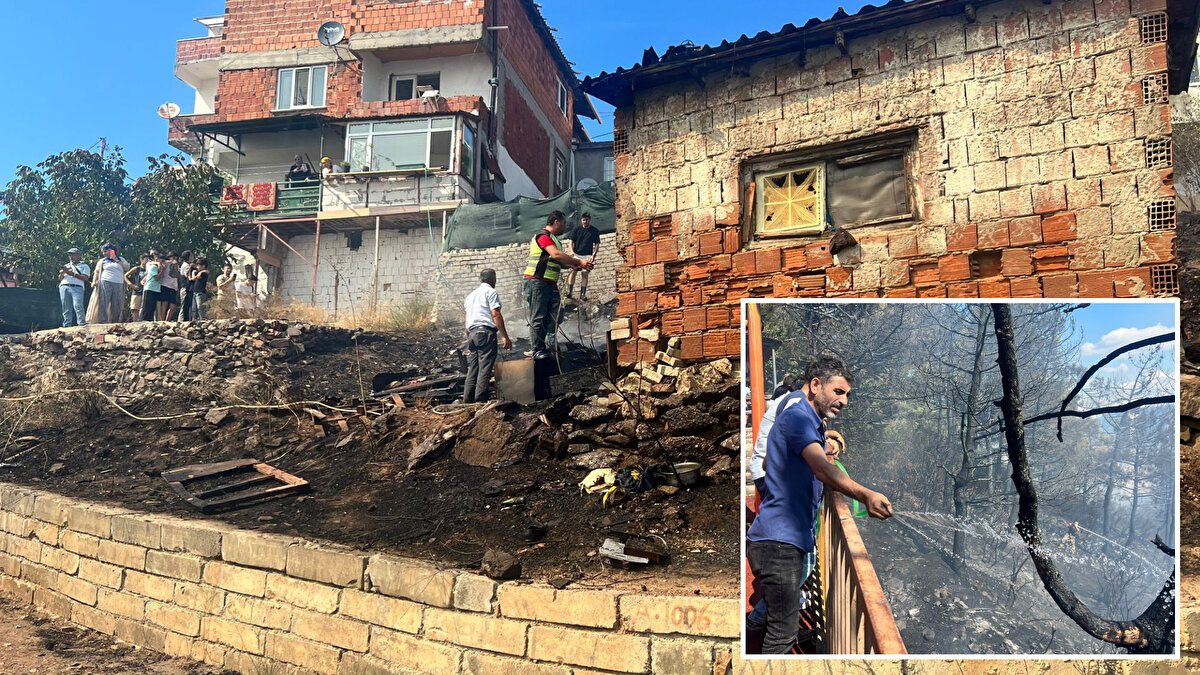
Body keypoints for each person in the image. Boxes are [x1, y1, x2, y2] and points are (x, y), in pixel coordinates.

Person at [745, 356, 893, 654]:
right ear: (815, 385)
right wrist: (866, 495)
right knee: (781, 637)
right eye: (839, 392)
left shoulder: (804, 417)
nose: (845, 401)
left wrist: (825, 441)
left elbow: (777, 456)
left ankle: (753, 624)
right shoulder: (798, 414)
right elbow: (822, 469)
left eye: (848, 394)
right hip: (779, 543)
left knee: (780, 625)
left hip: (780, 539)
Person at [522, 211, 592, 359]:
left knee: (555, 316)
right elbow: (556, 255)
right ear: (556, 222)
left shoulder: (554, 240)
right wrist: (578, 262)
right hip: (537, 281)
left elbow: (556, 262)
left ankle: (549, 344)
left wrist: (571, 267)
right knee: (538, 317)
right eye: (564, 223)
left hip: (548, 283)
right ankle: (537, 349)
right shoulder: (543, 237)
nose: (565, 226)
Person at [462, 269, 512, 404]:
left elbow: (466, 319)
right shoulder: (491, 292)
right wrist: (505, 337)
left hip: (472, 334)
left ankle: (467, 401)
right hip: (485, 333)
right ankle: (480, 402)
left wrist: (469, 336)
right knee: (485, 368)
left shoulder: (470, 296)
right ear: (493, 279)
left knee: (473, 369)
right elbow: (495, 314)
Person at [565, 212, 601, 301]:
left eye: (586, 220)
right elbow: (571, 241)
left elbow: (597, 244)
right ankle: (569, 292)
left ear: (590, 220)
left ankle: (582, 294)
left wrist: (593, 255)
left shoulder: (594, 231)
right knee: (573, 272)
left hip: (588, 255)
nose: (585, 222)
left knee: (585, 275)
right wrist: (572, 252)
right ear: (581, 220)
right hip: (576, 254)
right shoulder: (576, 230)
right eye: (583, 220)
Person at [92, 244, 129, 324]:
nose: (104, 253)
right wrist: (94, 281)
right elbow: (97, 272)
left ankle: (115, 321)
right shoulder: (102, 261)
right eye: (103, 252)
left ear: (111, 250)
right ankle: (103, 321)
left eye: (105, 251)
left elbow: (126, 268)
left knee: (117, 303)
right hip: (105, 281)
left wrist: (116, 259)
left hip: (118, 283)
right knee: (104, 301)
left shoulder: (121, 259)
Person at [58, 247, 91, 328]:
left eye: (73, 255)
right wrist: (62, 273)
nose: (71, 257)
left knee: (78, 305)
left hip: (77, 287)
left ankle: (81, 324)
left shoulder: (84, 266)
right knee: (66, 307)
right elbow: (60, 279)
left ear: (78, 255)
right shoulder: (66, 266)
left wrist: (71, 273)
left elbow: (85, 278)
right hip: (64, 286)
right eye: (70, 255)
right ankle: (66, 325)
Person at [125, 254, 150, 321]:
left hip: (146, 290)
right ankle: (135, 323)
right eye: (146, 259)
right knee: (135, 308)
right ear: (141, 260)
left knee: (144, 309)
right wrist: (131, 284)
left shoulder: (150, 269)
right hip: (137, 290)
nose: (147, 261)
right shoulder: (137, 268)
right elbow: (126, 275)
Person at [141, 252, 163, 321]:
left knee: (152, 307)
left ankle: (150, 322)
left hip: (156, 289)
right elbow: (156, 278)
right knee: (148, 308)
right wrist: (162, 271)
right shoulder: (153, 267)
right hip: (150, 288)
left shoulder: (156, 267)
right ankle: (145, 322)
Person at [158, 253, 181, 321]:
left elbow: (178, 276)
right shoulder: (166, 263)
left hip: (173, 287)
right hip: (165, 285)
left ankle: (167, 320)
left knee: (173, 306)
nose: (174, 259)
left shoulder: (177, 265)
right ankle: (162, 320)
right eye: (173, 258)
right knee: (164, 304)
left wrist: (176, 266)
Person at [178, 251, 194, 322]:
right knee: (184, 306)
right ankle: (182, 321)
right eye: (191, 256)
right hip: (185, 288)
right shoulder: (186, 265)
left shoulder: (185, 265)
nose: (193, 257)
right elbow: (187, 276)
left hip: (186, 288)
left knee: (186, 305)